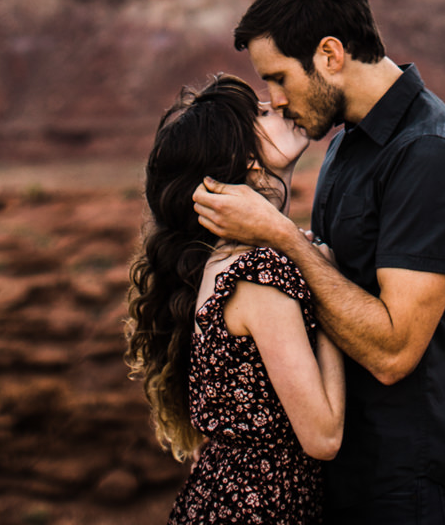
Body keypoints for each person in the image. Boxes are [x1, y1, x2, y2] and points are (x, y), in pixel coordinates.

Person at [192, 0, 445, 525]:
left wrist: (281, 236)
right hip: (350, 478)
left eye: (279, 78)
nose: (276, 99)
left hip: (414, 484)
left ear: (330, 55)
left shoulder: (432, 154)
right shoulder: (346, 147)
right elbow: (330, 288)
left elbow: (393, 351)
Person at [127, 71, 346, 525]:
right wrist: (328, 286)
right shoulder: (257, 275)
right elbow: (323, 437)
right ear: (245, 158)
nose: (278, 105)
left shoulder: (227, 262)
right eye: (261, 113)